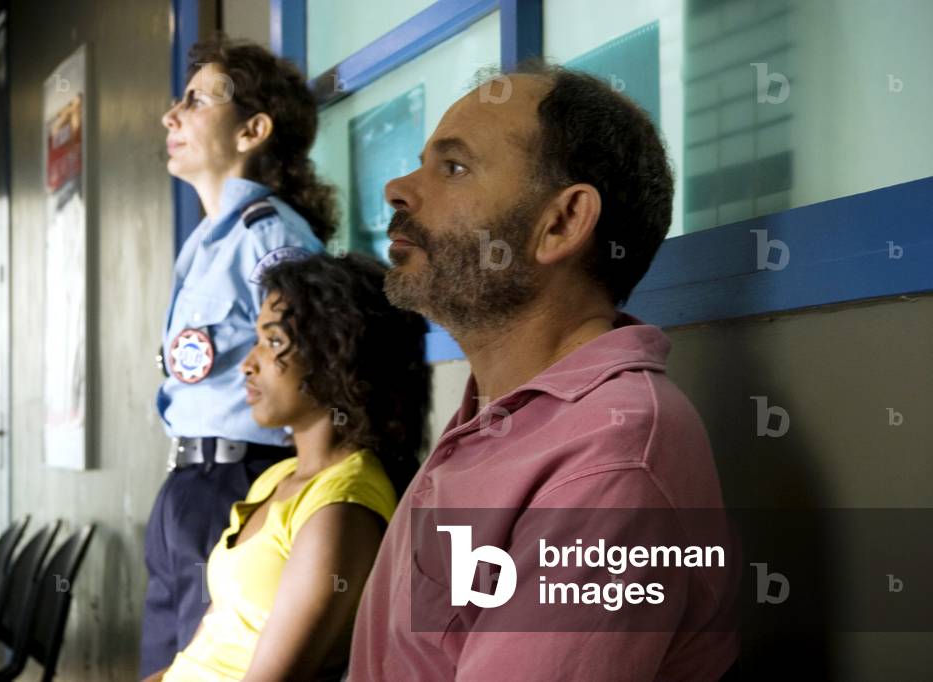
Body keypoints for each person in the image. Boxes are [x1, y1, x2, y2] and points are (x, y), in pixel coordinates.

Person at [349, 63, 740, 680]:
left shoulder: (614, 457)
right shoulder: (493, 416)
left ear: (560, 223)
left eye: (452, 167)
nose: (398, 188)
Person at [141, 37, 338, 677]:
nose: (172, 116)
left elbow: (313, 354)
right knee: (163, 665)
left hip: (242, 477)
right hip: (189, 480)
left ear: (253, 129)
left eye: (196, 101)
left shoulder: (269, 234)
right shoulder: (206, 239)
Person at [147, 252, 431, 681]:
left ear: (338, 354)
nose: (249, 363)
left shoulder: (341, 508)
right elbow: (211, 642)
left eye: (273, 341)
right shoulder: (277, 477)